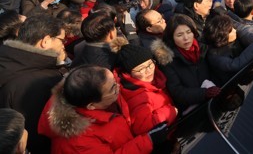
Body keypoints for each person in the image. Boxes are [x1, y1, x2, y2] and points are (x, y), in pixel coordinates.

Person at [38, 65, 168, 153]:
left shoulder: (103, 90)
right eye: (112, 88)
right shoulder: (77, 142)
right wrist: (148, 141)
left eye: (114, 80)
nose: (118, 86)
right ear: (91, 106)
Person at [0, 15, 68, 153]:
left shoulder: (6, 57)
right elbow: (40, 136)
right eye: (62, 40)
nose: (63, 45)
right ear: (46, 41)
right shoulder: (41, 81)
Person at [156, 14, 220, 112]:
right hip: (194, 109)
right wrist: (204, 93)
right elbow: (177, 92)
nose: (186, 38)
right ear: (171, 37)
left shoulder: (203, 48)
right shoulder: (167, 60)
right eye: (179, 35)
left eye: (188, 32)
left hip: (214, 100)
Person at [113, 40, 178, 136]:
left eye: (150, 64)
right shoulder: (136, 96)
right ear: (128, 73)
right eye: (141, 69)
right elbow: (142, 128)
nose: (148, 71)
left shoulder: (156, 77)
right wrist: (170, 111)